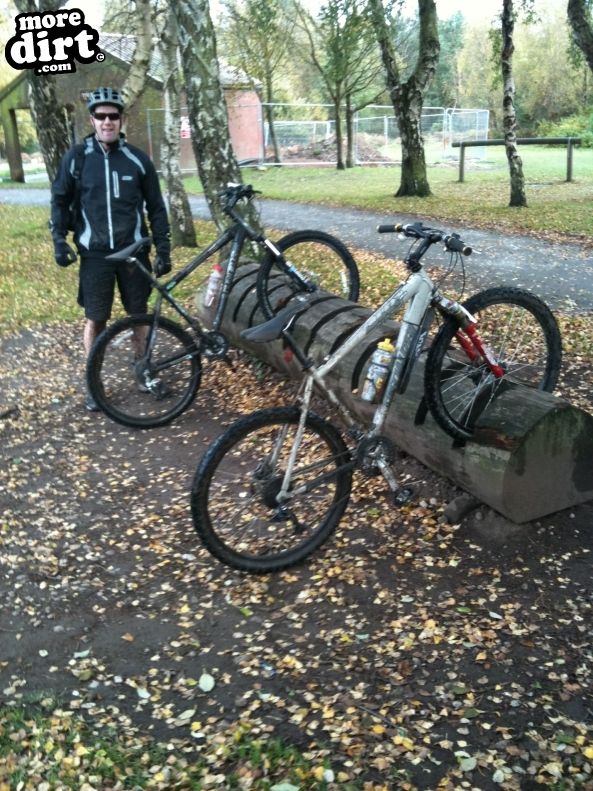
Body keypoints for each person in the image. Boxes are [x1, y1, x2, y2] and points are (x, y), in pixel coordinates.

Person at [50, 87, 171, 411]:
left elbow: (156, 207)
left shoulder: (137, 160)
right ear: (92, 119)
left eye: (113, 116)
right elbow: (60, 200)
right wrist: (59, 240)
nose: (107, 122)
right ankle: (94, 382)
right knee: (96, 319)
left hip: (133, 252)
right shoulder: (77, 158)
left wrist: (163, 247)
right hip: (95, 254)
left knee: (139, 315)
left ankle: (143, 369)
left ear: (122, 119)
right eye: (100, 116)